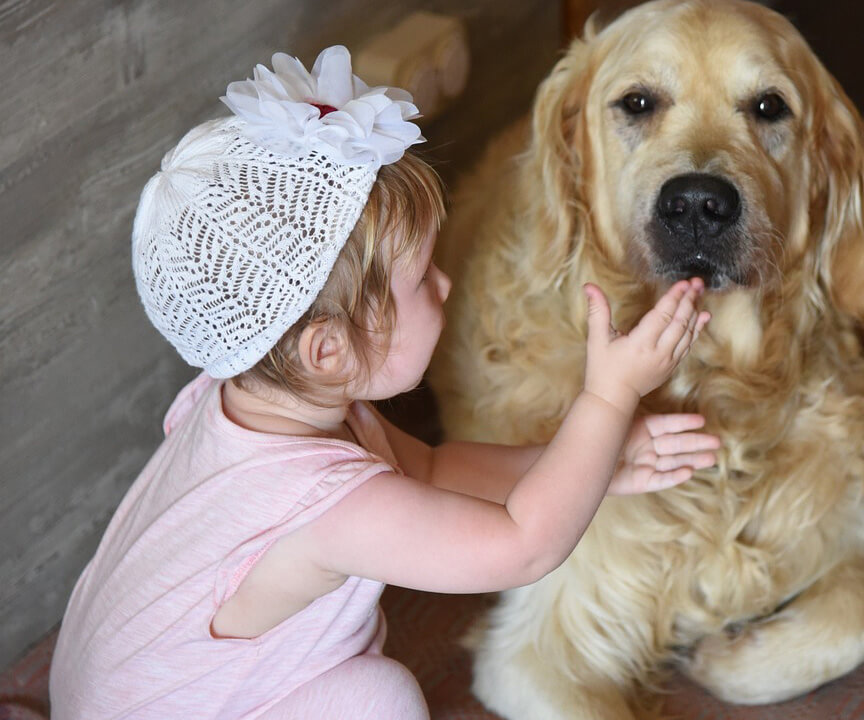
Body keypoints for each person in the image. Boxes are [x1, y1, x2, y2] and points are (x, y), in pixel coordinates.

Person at [49, 45, 715, 719]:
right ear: (329, 349)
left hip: (110, 685)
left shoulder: (253, 402)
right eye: (422, 278)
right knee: (379, 698)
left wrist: (601, 461)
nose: (446, 283)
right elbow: (522, 544)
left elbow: (430, 468)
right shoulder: (331, 510)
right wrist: (607, 399)